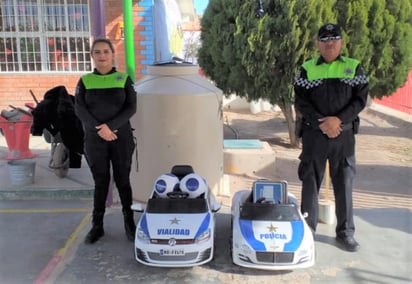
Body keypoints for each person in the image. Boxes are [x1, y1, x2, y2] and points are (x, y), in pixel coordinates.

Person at [293, 23, 369, 252]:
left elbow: (360, 99)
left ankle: (345, 233)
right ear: (318, 44)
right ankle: (308, 232)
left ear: (341, 42)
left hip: (343, 135)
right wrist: (323, 123)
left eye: (334, 39)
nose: (329, 43)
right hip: (314, 134)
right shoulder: (306, 69)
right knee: (310, 182)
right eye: (324, 39)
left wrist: (338, 121)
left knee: (344, 182)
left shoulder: (354, 68)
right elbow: (301, 101)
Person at [75, 38, 137, 244]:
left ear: (112, 54)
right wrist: (100, 129)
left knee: (123, 181)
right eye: (97, 52)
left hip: (121, 138)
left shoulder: (124, 79)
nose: (101, 56)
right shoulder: (84, 81)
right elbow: (80, 109)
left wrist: (111, 127)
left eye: (105, 52)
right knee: (101, 182)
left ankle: (130, 224)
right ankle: (97, 226)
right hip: (95, 140)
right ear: (92, 56)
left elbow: (131, 108)